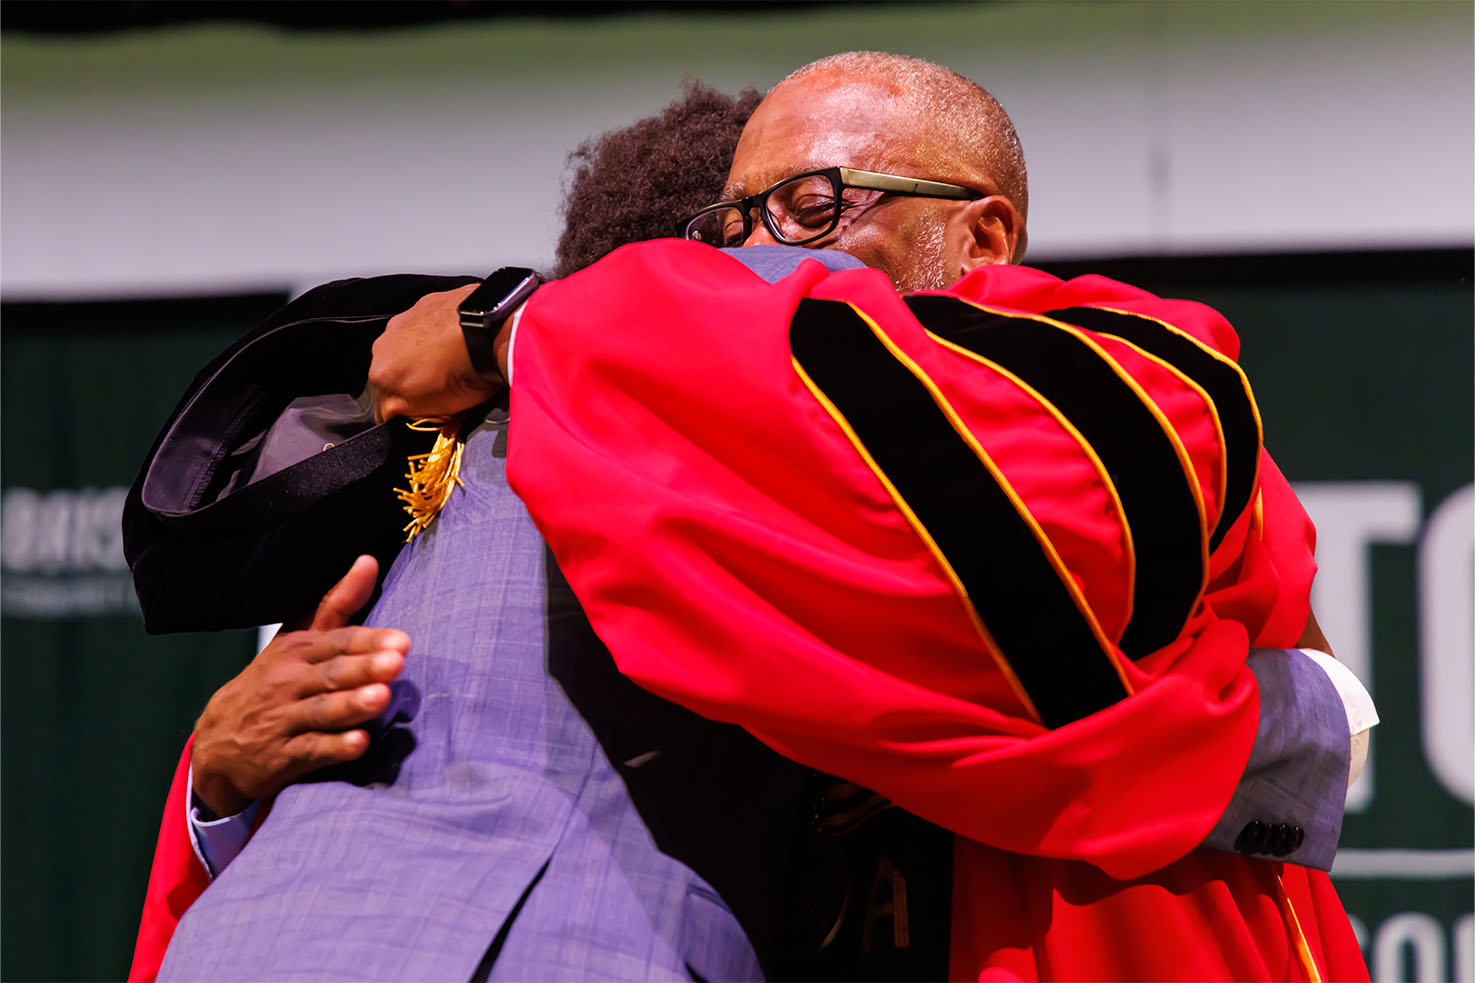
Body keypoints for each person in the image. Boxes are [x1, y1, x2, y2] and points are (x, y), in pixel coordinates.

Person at [127, 56, 1369, 981]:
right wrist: (218, 781)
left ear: (981, 233)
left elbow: (1294, 714)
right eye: (724, 235)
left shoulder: (1101, 386)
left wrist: (515, 320)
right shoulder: (584, 465)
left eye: (813, 207)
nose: (758, 263)